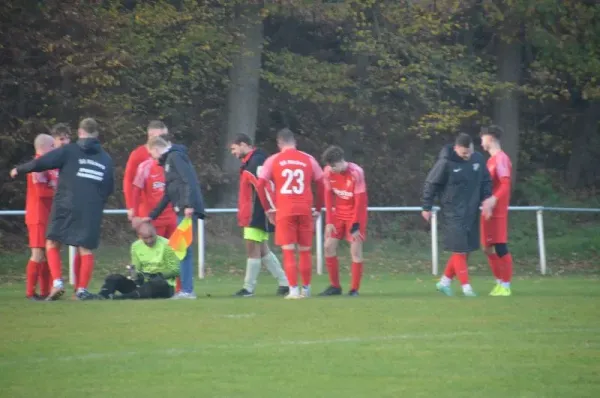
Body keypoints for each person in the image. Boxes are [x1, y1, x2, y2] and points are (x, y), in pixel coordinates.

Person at [10, 118, 114, 301]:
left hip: (66, 202)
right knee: (85, 249)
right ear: (97, 134)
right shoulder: (106, 158)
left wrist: (20, 169)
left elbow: (42, 162)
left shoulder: (70, 150)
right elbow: (109, 187)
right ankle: (81, 290)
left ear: (80, 133)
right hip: (90, 207)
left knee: (52, 243)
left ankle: (57, 282)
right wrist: (97, 203)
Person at [421, 133, 494, 297]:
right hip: (452, 211)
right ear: (456, 149)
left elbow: (485, 181)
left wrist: (486, 199)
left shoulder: (478, 159)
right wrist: (426, 206)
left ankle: (444, 282)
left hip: (471, 210)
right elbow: (430, 183)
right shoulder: (445, 162)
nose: (467, 156)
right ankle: (466, 287)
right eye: (463, 153)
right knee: (460, 249)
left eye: (469, 152)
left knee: (466, 249)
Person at [255, 128, 325, 299]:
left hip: (285, 210)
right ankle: (306, 289)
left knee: (288, 250)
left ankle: (293, 290)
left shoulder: (273, 160)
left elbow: (260, 184)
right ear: (295, 142)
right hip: (305, 209)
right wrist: (317, 209)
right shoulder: (309, 159)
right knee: (305, 251)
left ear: (279, 143)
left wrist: (268, 209)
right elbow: (322, 183)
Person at [135, 136, 205, 299]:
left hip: (185, 209)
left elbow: (189, 180)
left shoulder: (175, 157)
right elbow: (168, 194)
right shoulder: (169, 160)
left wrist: (188, 204)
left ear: (156, 149)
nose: (152, 158)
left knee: (183, 249)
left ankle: (187, 290)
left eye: (151, 154)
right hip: (181, 209)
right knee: (180, 249)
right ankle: (185, 290)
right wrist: (152, 216)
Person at [229, 133, 289, 297]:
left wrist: (270, 209)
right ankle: (285, 283)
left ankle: (248, 288)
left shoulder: (255, 162)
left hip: (256, 211)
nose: (233, 153)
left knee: (252, 249)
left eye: (234, 149)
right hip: (256, 210)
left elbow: (265, 187)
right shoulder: (253, 161)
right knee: (262, 249)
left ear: (243, 144)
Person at [319, 145, 368, 297]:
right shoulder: (328, 172)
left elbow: (360, 201)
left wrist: (356, 224)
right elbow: (327, 194)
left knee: (355, 250)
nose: (331, 169)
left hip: (355, 215)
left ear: (341, 161)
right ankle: (335, 286)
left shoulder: (356, 173)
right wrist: (329, 221)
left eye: (333, 166)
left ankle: (354, 289)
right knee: (328, 247)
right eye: (329, 166)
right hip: (338, 214)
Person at [94, 222, 179, 300]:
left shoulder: (167, 244)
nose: (149, 241)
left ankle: (124, 297)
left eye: (151, 236)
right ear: (140, 236)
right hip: (143, 284)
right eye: (145, 238)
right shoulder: (136, 246)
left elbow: (175, 270)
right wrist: (135, 274)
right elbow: (136, 268)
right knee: (114, 278)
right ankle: (102, 295)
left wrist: (157, 275)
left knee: (154, 283)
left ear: (156, 232)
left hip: (164, 285)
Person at [480, 125, 513, 296]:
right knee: (486, 248)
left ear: (490, 138)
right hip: (488, 210)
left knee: (500, 246)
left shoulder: (501, 159)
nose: (481, 142)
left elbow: (505, 184)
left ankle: (506, 285)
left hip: (498, 210)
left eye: (482, 138)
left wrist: (494, 199)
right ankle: (499, 282)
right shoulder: (490, 161)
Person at [23, 134, 57, 300]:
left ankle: (45, 292)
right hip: (38, 214)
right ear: (45, 147)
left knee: (45, 253)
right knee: (37, 253)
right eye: (52, 146)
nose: (55, 148)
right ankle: (30, 293)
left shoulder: (46, 165)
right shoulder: (37, 166)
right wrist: (58, 192)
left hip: (46, 214)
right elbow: (41, 192)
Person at [124, 121, 168, 220]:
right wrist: (131, 206)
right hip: (147, 211)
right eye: (163, 136)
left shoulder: (169, 152)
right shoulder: (138, 154)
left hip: (169, 211)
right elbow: (128, 180)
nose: (165, 140)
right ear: (151, 135)